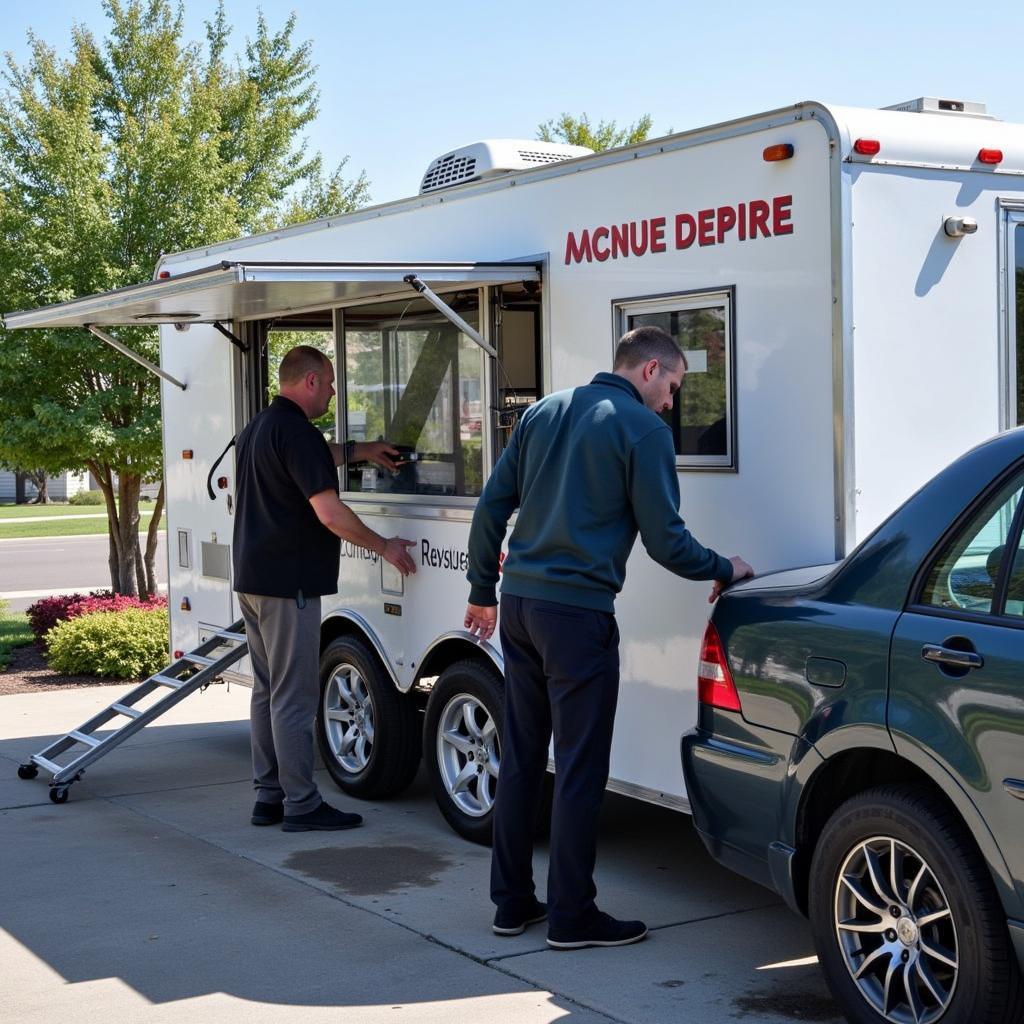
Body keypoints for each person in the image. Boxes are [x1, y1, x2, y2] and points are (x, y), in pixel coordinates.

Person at [464, 325, 753, 950]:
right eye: (673, 386)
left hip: (517, 607)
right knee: (578, 767)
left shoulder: (543, 411)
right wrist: (726, 568)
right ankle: (572, 916)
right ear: (648, 370)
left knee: (520, 758)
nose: (672, 403)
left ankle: (511, 903)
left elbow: (492, 506)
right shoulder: (642, 430)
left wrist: (481, 589)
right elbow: (666, 541)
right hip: (577, 618)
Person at [233, 345, 417, 832]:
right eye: (331, 382)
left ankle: (268, 796)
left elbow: (315, 456)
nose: (334, 391)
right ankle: (302, 804)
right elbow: (330, 514)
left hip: (253, 581)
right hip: (288, 584)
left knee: (267, 690)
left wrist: (361, 451)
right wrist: (384, 547)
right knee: (294, 696)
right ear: (311, 381)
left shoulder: (261, 427)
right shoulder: (296, 431)